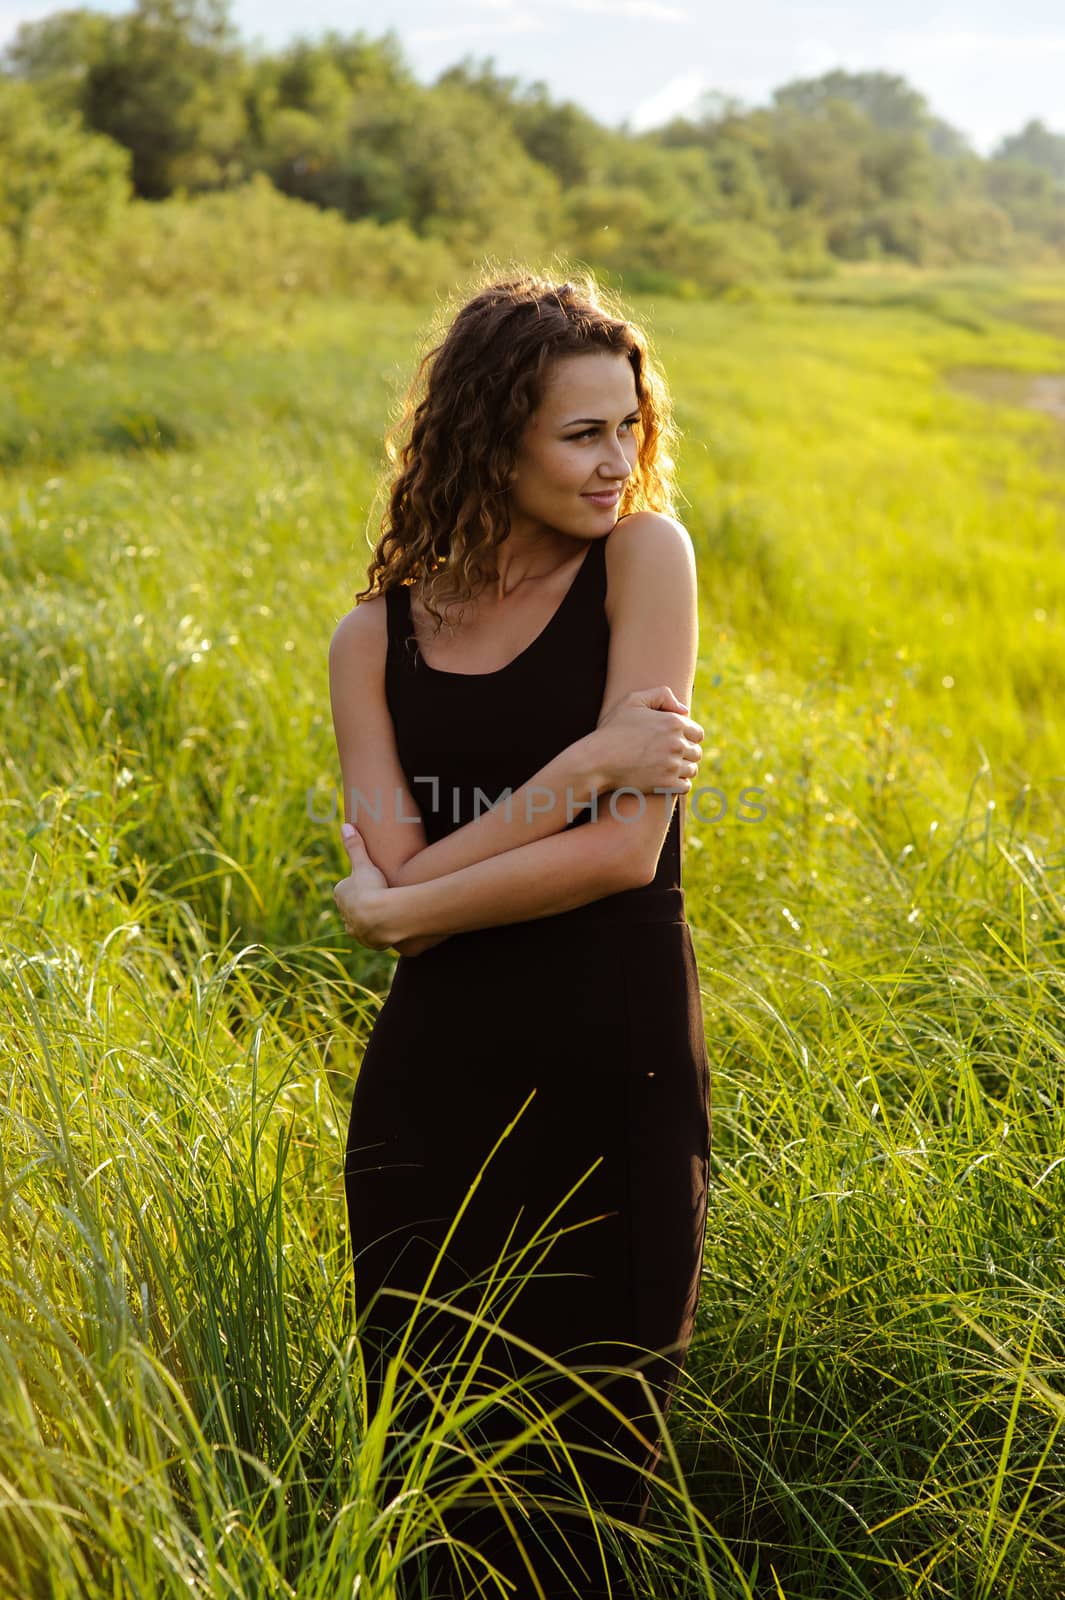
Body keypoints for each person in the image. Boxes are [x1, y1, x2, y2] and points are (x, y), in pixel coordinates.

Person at [329, 271, 712, 1599]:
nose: (618, 464)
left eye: (629, 426)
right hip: (431, 1091)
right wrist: (585, 761)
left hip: (613, 1067)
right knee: (432, 1460)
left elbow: (623, 850)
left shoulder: (644, 563)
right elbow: (402, 861)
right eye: (580, 434)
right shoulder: (368, 640)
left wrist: (401, 907)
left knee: (597, 1470)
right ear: (491, 436)